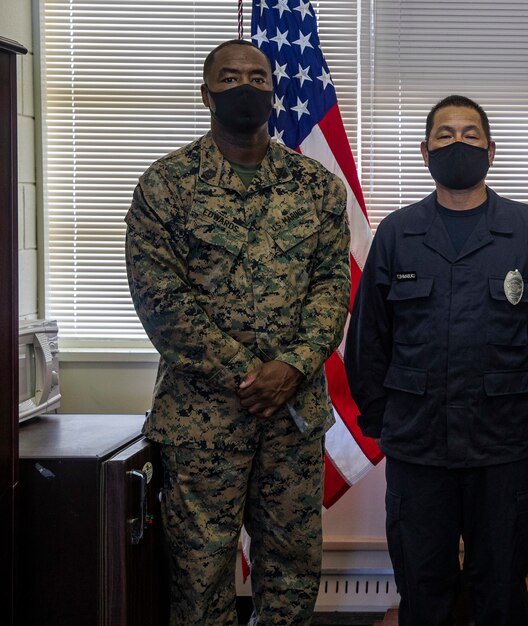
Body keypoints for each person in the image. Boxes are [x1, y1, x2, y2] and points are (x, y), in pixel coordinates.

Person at [125, 39, 350, 626]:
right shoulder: (165, 185)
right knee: (200, 584)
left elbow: (333, 287)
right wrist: (251, 376)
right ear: (206, 94)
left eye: (257, 77)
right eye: (228, 78)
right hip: (202, 424)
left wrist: (293, 366)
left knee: (292, 578)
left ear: (274, 92)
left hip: (293, 418)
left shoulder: (315, 186)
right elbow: (161, 303)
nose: (244, 87)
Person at [344, 95, 528, 626]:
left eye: (470, 135)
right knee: (423, 586)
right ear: (425, 151)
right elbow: (368, 340)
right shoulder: (398, 232)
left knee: (501, 588)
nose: (458, 143)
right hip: (418, 444)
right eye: (445, 135)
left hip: (500, 443)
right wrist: (385, 420)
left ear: (491, 150)